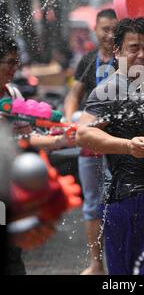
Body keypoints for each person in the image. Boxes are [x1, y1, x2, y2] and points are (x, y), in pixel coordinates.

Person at [76, 17, 144, 275]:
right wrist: (127, 146)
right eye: (133, 47)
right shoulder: (110, 89)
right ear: (117, 51)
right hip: (128, 204)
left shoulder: (140, 87)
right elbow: (83, 134)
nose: (142, 54)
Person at [0, 32, 74, 275]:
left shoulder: (13, 95)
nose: (14, 68)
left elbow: (27, 138)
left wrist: (59, 140)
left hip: (11, 188)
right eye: (9, 62)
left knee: (12, 253)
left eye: (15, 62)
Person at [64, 8, 118, 275]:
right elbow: (73, 95)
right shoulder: (87, 61)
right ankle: (97, 264)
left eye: (114, 29)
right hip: (89, 142)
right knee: (92, 203)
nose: (109, 34)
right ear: (95, 30)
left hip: (119, 142)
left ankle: (121, 263)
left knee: (118, 201)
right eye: (104, 29)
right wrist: (68, 122)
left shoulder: (126, 62)